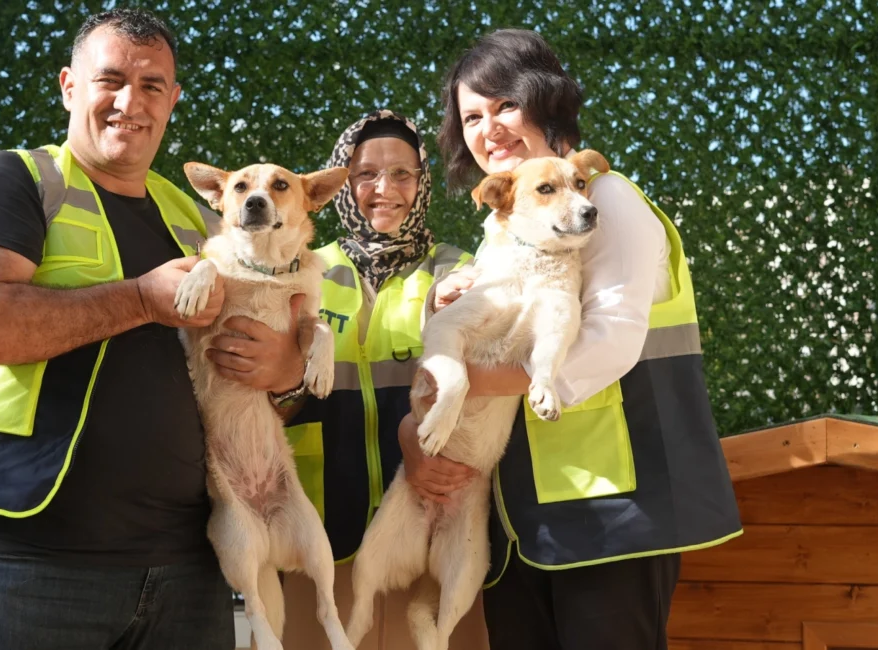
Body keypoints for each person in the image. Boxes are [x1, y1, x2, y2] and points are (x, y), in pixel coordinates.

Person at [0, 9, 304, 649]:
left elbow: (250, 367)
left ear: (172, 101)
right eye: (109, 79)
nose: (130, 102)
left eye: (152, 86)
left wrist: (285, 371)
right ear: (69, 86)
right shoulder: (15, 180)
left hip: (189, 565)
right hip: (36, 563)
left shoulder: (194, 216)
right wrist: (144, 299)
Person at [412, 29, 744, 650]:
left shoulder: (608, 198)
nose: (491, 129)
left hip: (615, 508)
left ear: (546, 99)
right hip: (520, 514)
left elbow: (612, 340)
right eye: (472, 117)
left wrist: (465, 381)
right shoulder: (501, 228)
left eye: (505, 104)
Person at [277, 110, 488, 650]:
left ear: (422, 184)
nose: (383, 189)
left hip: (438, 538)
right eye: (365, 174)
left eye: (403, 174)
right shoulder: (302, 270)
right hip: (321, 542)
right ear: (339, 183)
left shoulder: (459, 271)